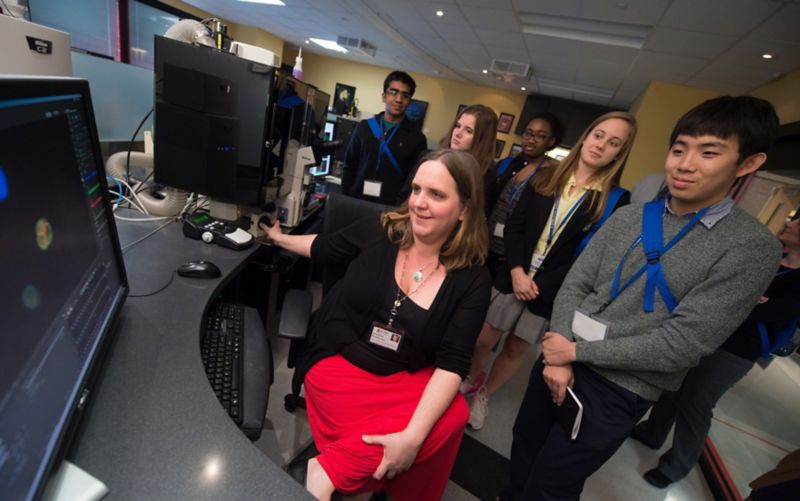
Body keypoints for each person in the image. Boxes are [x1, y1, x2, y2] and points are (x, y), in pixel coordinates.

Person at [501, 95, 783, 501]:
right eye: (679, 148)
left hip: (620, 386)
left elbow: (682, 345)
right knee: (524, 447)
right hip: (560, 352)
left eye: (708, 153)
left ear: (748, 163)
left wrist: (573, 354)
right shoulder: (631, 215)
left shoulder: (751, 246)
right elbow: (576, 285)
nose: (684, 164)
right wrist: (558, 349)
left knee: (553, 483)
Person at [261, 149, 491, 501]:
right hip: (340, 361)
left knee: (454, 412)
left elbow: (453, 363)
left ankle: (321, 473)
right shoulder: (381, 230)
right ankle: (334, 473)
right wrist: (280, 239)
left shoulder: (473, 279)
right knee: (428, 436)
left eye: (436, 194)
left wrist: (412, 439)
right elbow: (324, 247)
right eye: (416, 190)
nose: (419, 203)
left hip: (401, 377)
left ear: (464, 210)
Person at [465, 112, 637, 430]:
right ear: (586, 135)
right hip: (512, 273)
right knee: (482, 340)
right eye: (599, 135)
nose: (601, 145)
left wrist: (539, 284)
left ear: (620, 153)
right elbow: (514, 226)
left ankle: (483, 395)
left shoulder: (614, 200)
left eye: (614, 143)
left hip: (553, 289)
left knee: (517, 347)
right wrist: (517, 271)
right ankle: (468, 385)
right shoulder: (547, 176)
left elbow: (593, 260)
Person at [632, 212, 800, 488]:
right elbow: (729, 288)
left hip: (737, 349)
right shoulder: (770, 257)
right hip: (709, 333)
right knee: (673, 386)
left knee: (696, 402)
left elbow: (770, 313)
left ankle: (676, 466)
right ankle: (652, 432)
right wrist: (750, 299)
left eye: (796, 223)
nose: (788, 222)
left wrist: (745, 299)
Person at [480, 113, 563, 280]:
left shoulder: (551, 173)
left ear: (551, 141)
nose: (531, 139)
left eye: (541, 136)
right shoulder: (507, 163)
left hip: (513, 254)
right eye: (528, 133)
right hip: (483, 244)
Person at [341, 70, 428, 205]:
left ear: (409, 101)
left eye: (405, 95)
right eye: (393, 92)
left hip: (389, 209)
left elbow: (414, 180)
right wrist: (346, 196)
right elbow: (349, 165)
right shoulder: (364, 128)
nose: (398, 99)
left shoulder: (417, 139)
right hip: (355, 201)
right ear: (383, 96)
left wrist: (397, 207)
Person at [439, 104, 498, 176]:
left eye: (468, 131)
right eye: (458, 126)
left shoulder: (485, 177)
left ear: (482, 139)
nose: (457, 133)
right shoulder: (435, 159)